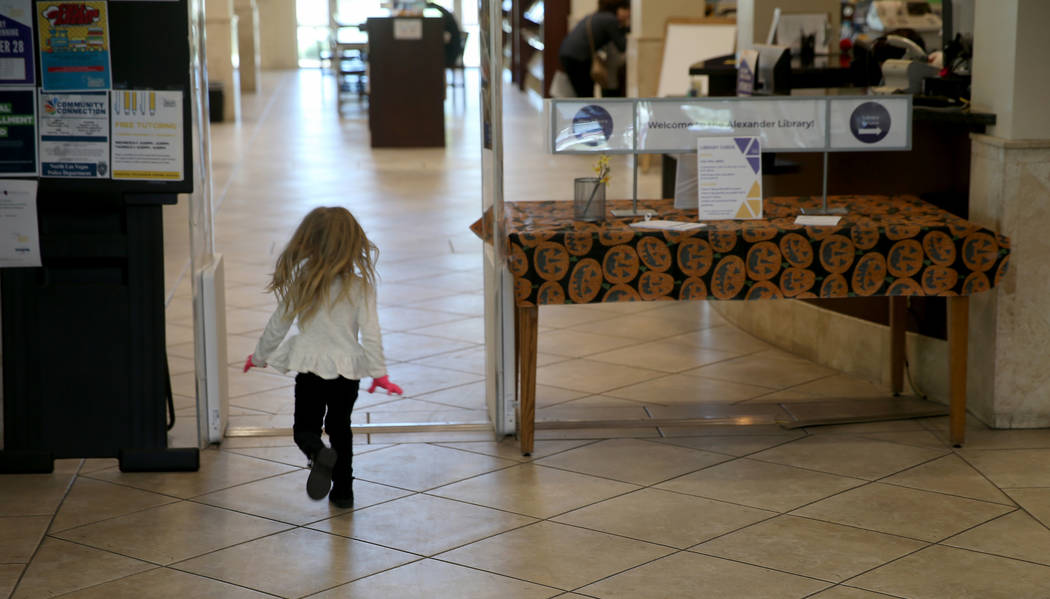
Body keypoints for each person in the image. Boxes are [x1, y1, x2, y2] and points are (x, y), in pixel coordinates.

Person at [243, 206, 402, 509]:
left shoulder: (304, 281)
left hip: (310, 368)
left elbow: (279, 324)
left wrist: (260, 356)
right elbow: (371, 332)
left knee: (305, 428)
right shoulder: (361, 286)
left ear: (309, 242)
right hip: (347, 371)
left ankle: (317, 452)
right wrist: (379, 373)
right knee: (341, 428)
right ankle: (343, 493)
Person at [557, 0, 630, 98]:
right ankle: (587, 112)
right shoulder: (610, 20)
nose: (628, 13)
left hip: (568, 53)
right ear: (618, 8)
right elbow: (622, 46)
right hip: (578, 57)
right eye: (625, 9)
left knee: (582, 92)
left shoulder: (597, 16)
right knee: (585, 94)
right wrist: (626, 26)